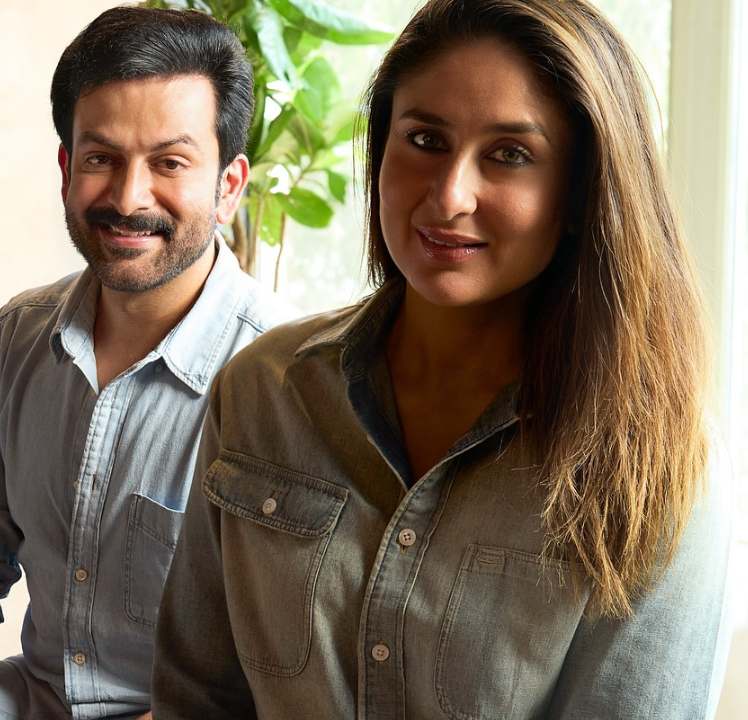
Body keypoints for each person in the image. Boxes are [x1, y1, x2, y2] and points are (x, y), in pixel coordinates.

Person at [151, 0, 734, 717]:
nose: (450, 195)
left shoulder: (659, 466)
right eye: (425, 139)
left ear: (580, 191)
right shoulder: (262, 390)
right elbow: (195, 697)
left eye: (510, 154)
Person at [0, 7, 296, 720]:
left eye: (170, 163)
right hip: (25, 700)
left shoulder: (285, 383)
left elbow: (271, 676)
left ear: (229, 185)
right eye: (100, 158)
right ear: (66, 168)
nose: (128, 197)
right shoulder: (19, 337)